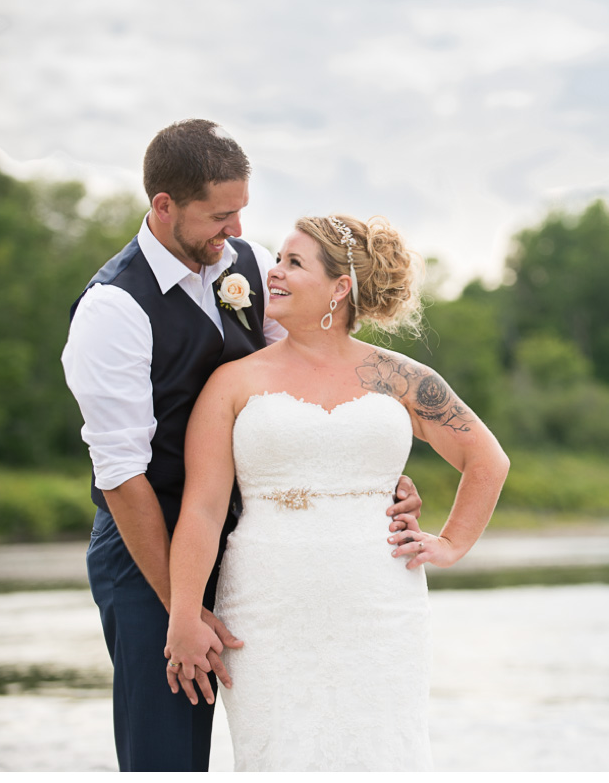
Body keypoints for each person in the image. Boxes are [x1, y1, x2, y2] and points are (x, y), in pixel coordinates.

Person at [61, 121, 424, 772]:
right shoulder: (112, 310)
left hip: (257, 543)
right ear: (164, 206)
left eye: (240, 213)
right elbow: (121, 476)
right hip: (151, 542)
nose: (233, 231)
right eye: (218, 215)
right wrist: (183, 609)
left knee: (291, 730)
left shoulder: (248, 265)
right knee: (166, 754)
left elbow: (304, 377)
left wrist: (362, 473)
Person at [163, 214, 510, 771]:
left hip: (378, 603)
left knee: (382, 751)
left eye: (293, 263)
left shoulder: (398, 377)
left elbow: (487, 460)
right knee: (278, 753)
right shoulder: (233, 382)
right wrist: (184, 612)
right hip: (266, 602)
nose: (272, 273)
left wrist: (448, 543)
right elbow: (202, 510)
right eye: (277, 259)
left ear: (340, 287)